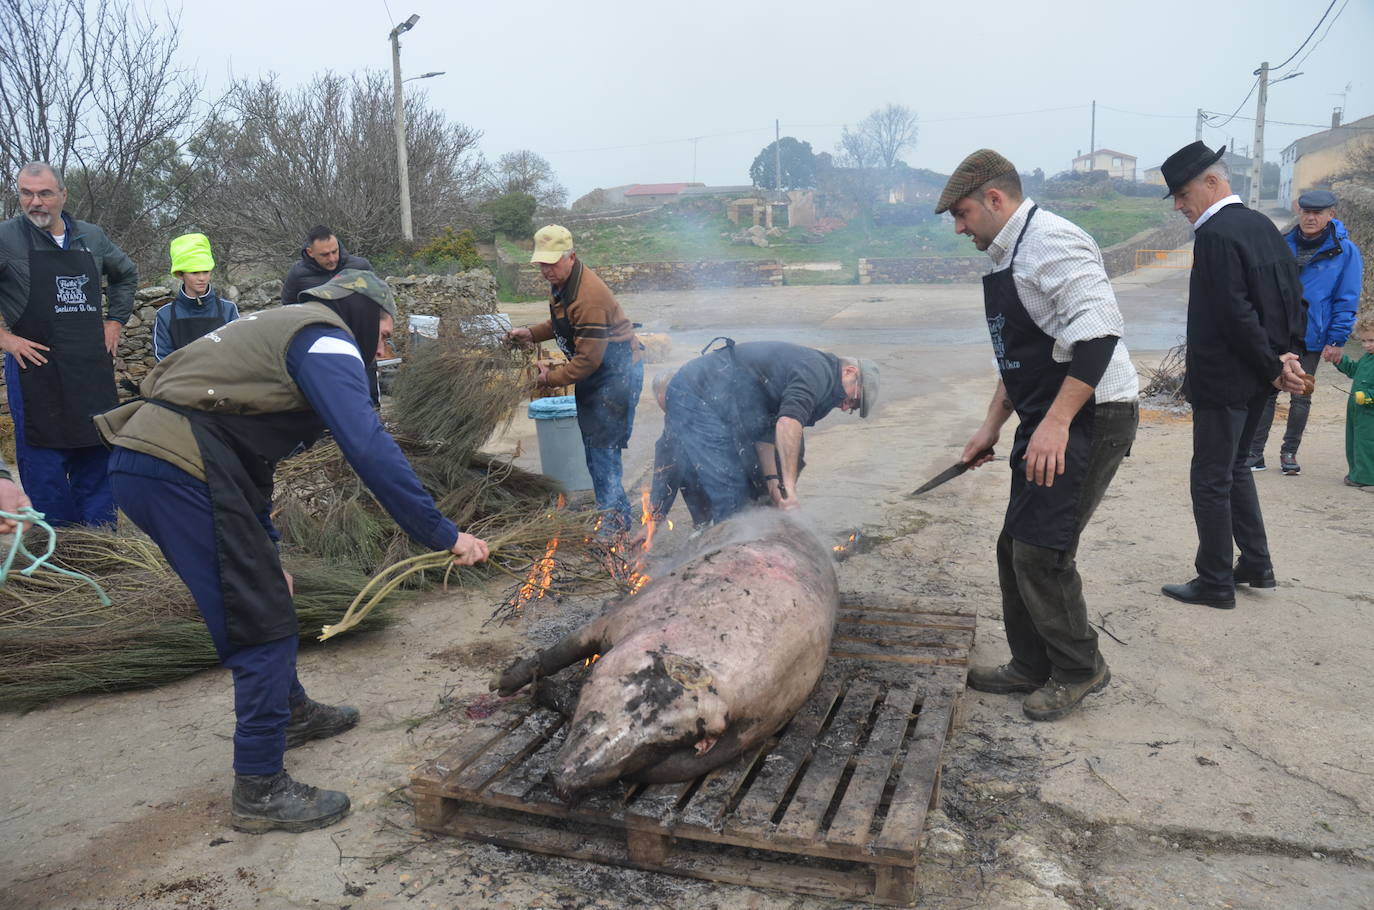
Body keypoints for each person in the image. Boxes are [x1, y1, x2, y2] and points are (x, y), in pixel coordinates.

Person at [94, 269, 490, 834]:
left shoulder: (284, 332)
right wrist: (443, 533)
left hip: (167, 462)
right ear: (356, 312)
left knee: (265, 590)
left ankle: (293, 714)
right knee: (260, 621)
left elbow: (247, 459)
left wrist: (268, 550)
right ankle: (258, 786)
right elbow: (369, 446)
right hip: (178, 468)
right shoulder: (327, 339)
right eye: (383, 332)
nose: (385, 348)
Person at [936, 149, 1139, 722]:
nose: (958, 227)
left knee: (1042, 550)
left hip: (1091, 414)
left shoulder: (1054, 242)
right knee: (1014, 546)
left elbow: (1099, 336)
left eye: (963, 213)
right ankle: (1030, 662)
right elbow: (1020, 356)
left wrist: (1054, 423)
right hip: (1046, 414)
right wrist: (990, 426)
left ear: (995, 199)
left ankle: (1080, 669)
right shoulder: (1007, 254)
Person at [1158, 142, 1307, 610]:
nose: (1180, 206)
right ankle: (1257, 565)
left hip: (1227, 380)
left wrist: (1273, 364)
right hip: (1259, 377)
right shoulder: (1262, 226)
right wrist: (1285, 360)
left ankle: (1216, 581)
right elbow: (1292, 299)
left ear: (1212, 182)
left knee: (1210, 479)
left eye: (1182, 195)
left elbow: (1234, 314)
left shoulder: (1217, 235)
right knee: (1237, 467)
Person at [0, 161, 136, 527]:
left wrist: (115, 321)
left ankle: (100, 548)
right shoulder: (5, 238)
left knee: (97, 452)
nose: (35, 202)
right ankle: (57, 552)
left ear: (63, 194)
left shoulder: (91, 236)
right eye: (26, 194)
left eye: (44, 193)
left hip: (90, 366)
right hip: (35, 370)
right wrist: (6, 339)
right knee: (44, 464)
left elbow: (126, 275)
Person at [506, 225, 644, 533]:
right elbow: (562, 324)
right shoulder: (564, 283)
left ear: (572, 257)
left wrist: (549, 379)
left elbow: (587, 360)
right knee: (594, 447)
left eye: (552, 263)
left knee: (603, 449)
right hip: (595, 373)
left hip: (616, 374)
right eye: (542, 263)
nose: (546, 270)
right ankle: (616, 513)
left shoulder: (588, 296)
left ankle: (613, 526)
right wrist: (531, 333)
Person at [650, 338, 876, 525]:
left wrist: (773, 482)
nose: (845, 406)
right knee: (730, 492)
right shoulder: (817, 372)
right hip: (697, 393)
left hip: (729, 407)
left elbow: (766, 432)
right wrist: (788, 487)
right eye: (853, 399)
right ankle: (722, 552)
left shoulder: (818, 376)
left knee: (756, 487)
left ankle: (747, 539)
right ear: (849, 371)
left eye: (852, 408)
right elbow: (788, 423)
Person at [1246, 189, 1363, 474]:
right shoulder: (1283, 243)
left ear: (1330, 215)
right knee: (1267, 390)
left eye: (1317, 213)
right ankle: (1254, 453)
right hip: (1279, 332)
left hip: (1313, 333)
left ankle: (1289, 452)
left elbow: (1347, 297)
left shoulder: (1346, 251)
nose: (1310, 218)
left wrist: (1337, 338)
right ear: (1299, 211)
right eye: (1306, 212)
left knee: (1301, 394)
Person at [152, 233, 240, 361]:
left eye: (206, 271)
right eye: (194, 273)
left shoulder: (228, 309)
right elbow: (163, 360)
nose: (202, 278)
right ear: (180, 274)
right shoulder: (165, 315)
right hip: (181, 380)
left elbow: (238, 350)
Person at [279, 225, 374, 306]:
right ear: (310, 252)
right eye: (325, 255)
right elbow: (289, 307)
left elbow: (378, 300)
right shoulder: (297, 274)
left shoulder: (361, 267)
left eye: (334, 251)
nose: (332, 259)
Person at [1335, 313, 1374, 489]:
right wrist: (1339, 360)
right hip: (1356, 410)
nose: (1366, 345)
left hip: (1370, 412)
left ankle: (1367, 479)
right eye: (1363, 341)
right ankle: (1356, 473)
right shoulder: (1367, 358)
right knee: (1354, 441)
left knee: (1367, 444)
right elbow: (1354, 370)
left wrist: (1366, 396)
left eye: (1371, 341)